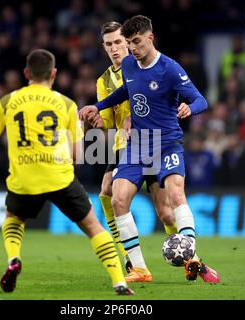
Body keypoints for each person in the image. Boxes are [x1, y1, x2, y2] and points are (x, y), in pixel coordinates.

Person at [0, 49, 134, 295]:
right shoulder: (66, 104)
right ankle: (119, 281)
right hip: (59, 176)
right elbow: (77, 155)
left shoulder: (7, 101)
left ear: (26, 73)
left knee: (13, 219)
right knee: (93, 227)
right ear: (54, 74)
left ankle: (13, 259)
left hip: (24, 179)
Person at [80, 15, 220, 283]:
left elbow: (200, 98)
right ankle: (139, 268)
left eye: (134, 42)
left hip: (166, 142)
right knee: (116, 197)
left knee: (173, 200)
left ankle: (191, 255)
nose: (131, 49)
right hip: (137, 144)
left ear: (149, 38)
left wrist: (190, 108)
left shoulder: (169, 68)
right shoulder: (128, 66)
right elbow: (125, 93)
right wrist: (97, 107)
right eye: (126, 43)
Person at [91, 21, 176, 281]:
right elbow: (107, 120)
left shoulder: (143, 65)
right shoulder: (104, 80)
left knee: (165, 211)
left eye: (119, 42)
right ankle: (129, 257)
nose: (115, 49)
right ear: (104, 48)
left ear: (127, 42)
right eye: (109, 45)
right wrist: (94, 119)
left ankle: (190, 256)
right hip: (124, 145)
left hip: (152, 141)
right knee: (107, 192)